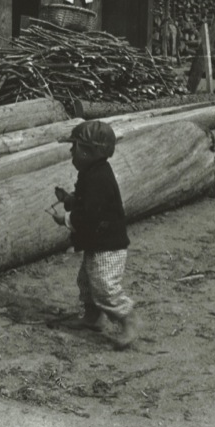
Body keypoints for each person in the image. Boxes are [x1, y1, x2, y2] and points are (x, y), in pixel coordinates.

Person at [51, 120, 137, 349]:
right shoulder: (90, 173)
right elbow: (85, 202)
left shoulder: (99, 178)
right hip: (97, 241)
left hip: (108, 245)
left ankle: (127, 318)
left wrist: (66, 219)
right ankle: (93, 317)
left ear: (88, 152)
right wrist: (69, 199)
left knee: (104, 285)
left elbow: (91, 213)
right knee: (87, 282)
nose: (71, 151)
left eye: (75, 146)